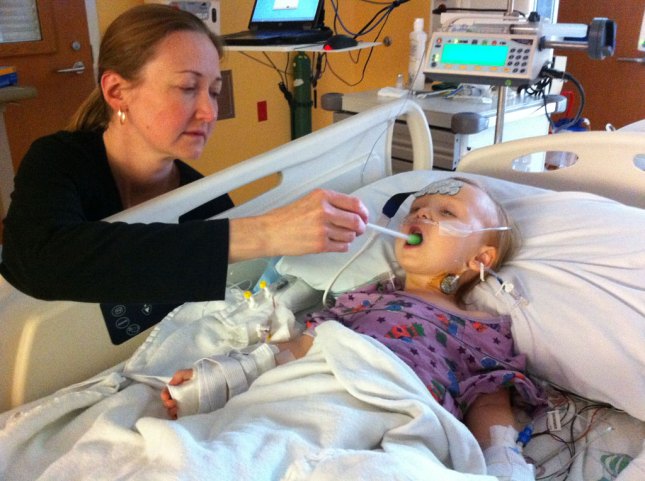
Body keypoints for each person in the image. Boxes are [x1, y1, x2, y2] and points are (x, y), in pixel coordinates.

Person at [161, 177, 547, 481]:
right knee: (235, 450)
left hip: (404, 408)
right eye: (417, 208)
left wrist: (504, 461)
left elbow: (490, 404)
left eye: (447, 212)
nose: (422, 216)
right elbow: (305, 345)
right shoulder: (368, 296)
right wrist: (232, 375)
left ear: (480, 259)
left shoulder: (481, 329)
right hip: (317, 391)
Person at [0, 4, 367, 305]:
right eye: (188, 87)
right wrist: (265, 231)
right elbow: (40, 261)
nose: (210, 112)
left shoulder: (204, 203)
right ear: (116, 92)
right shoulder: (56, 162)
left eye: (214, 91)